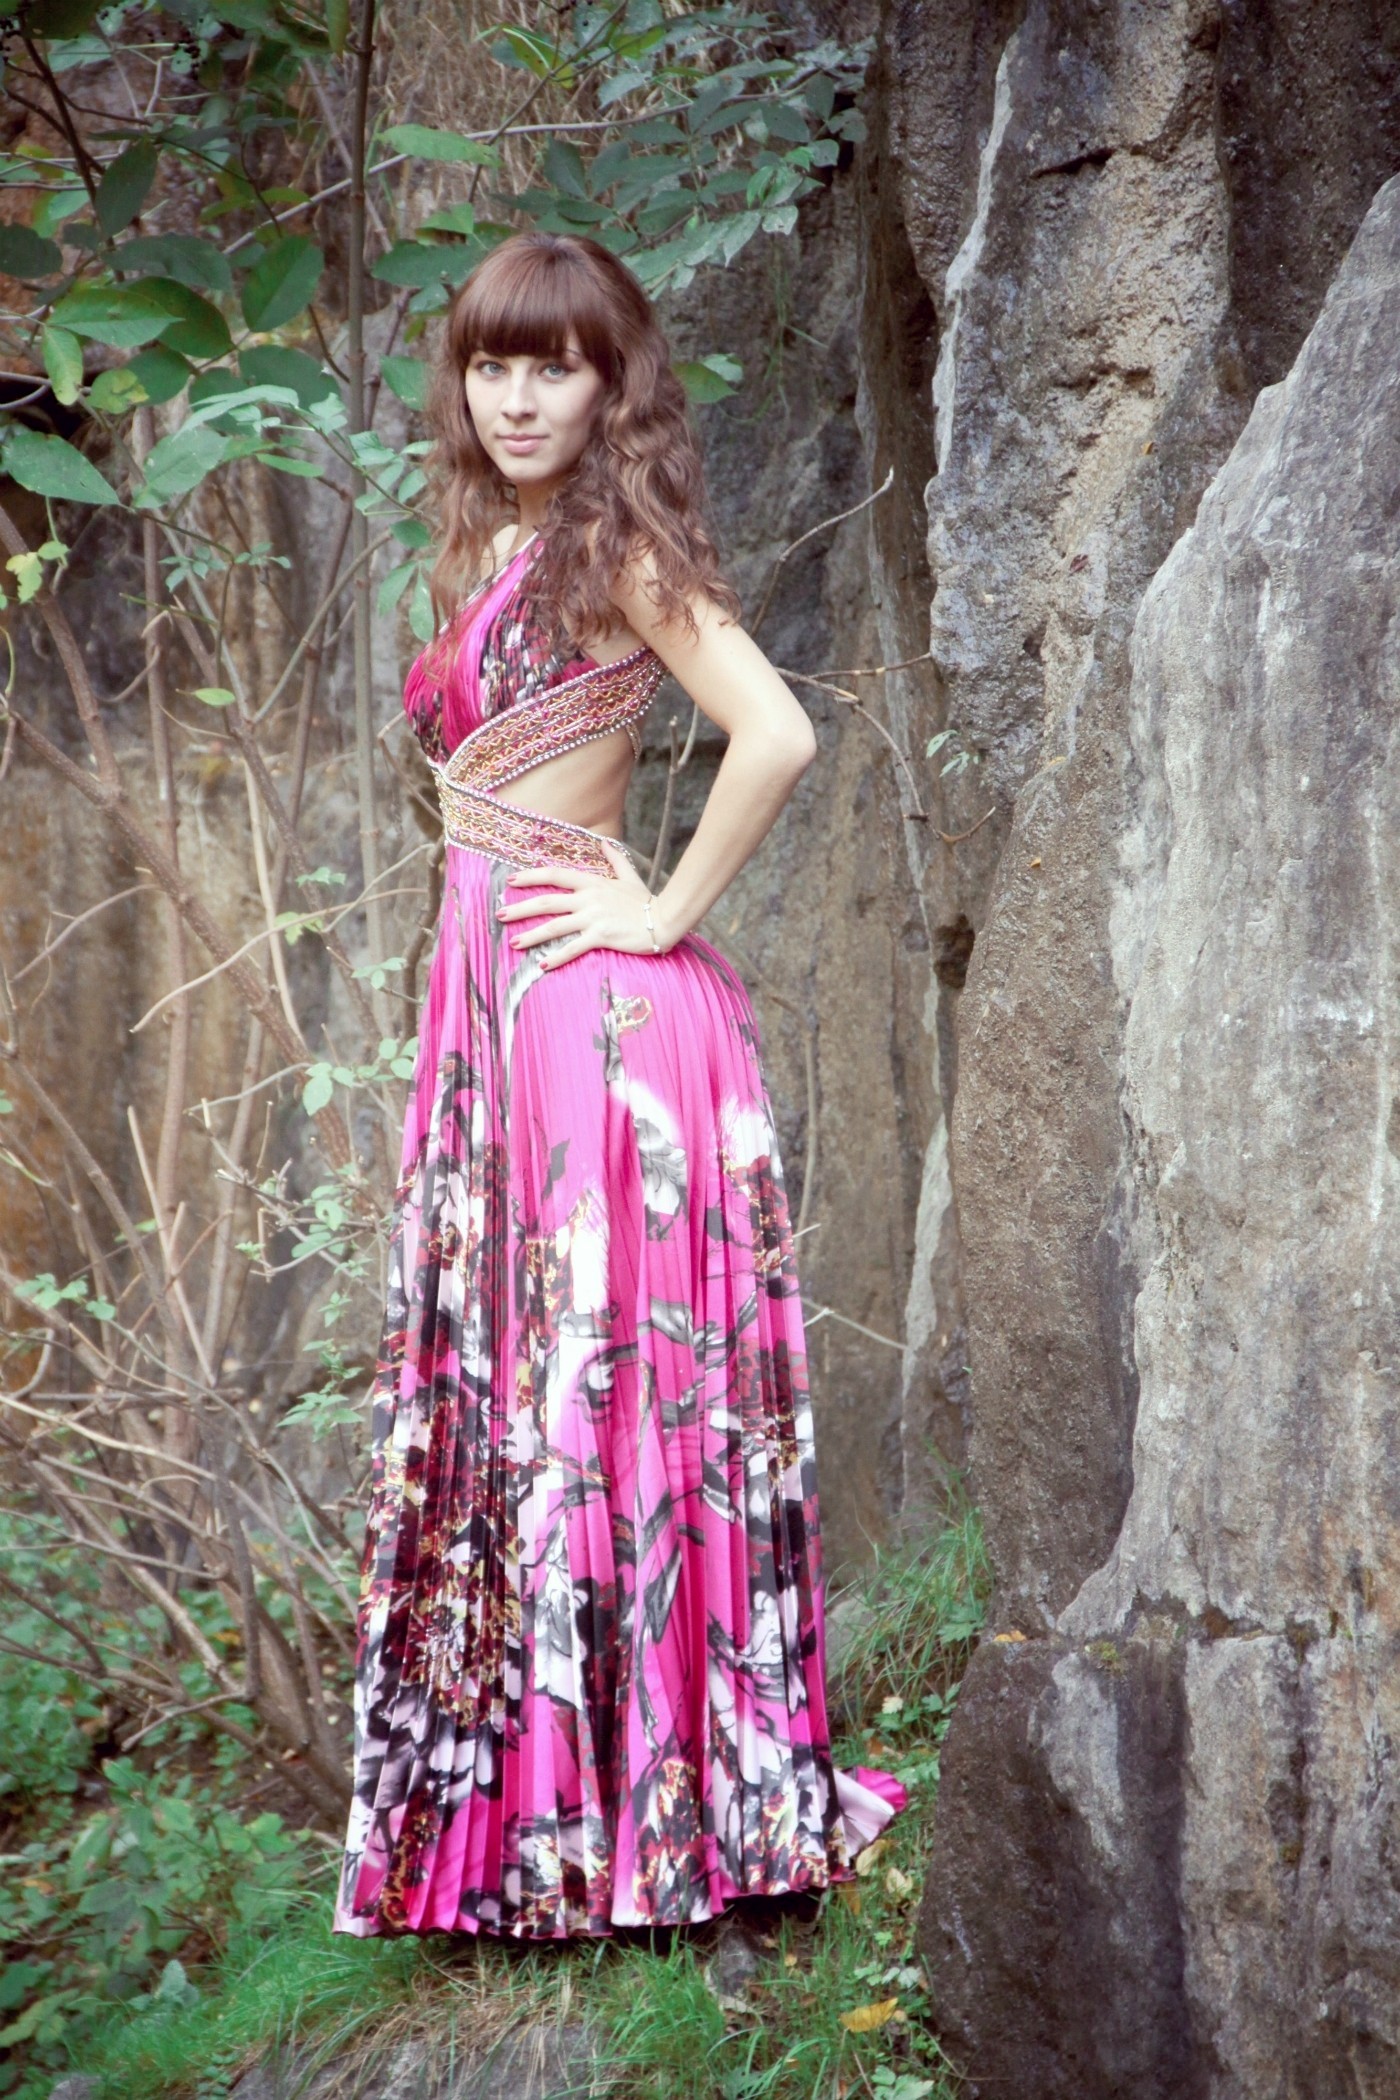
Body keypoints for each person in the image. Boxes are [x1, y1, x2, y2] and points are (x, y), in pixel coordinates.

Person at [333, 230, 905, 1942]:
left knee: (599, 1414)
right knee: (532, 1406)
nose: (518, 398)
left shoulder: (616, 549)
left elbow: (776, 731)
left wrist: (654, 909)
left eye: (555, 367)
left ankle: (642, 1835)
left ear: (610, 384)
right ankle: (544, 1828)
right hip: (505, 1022)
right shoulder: (493, 544)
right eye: (492, 364)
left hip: (598, 1026)